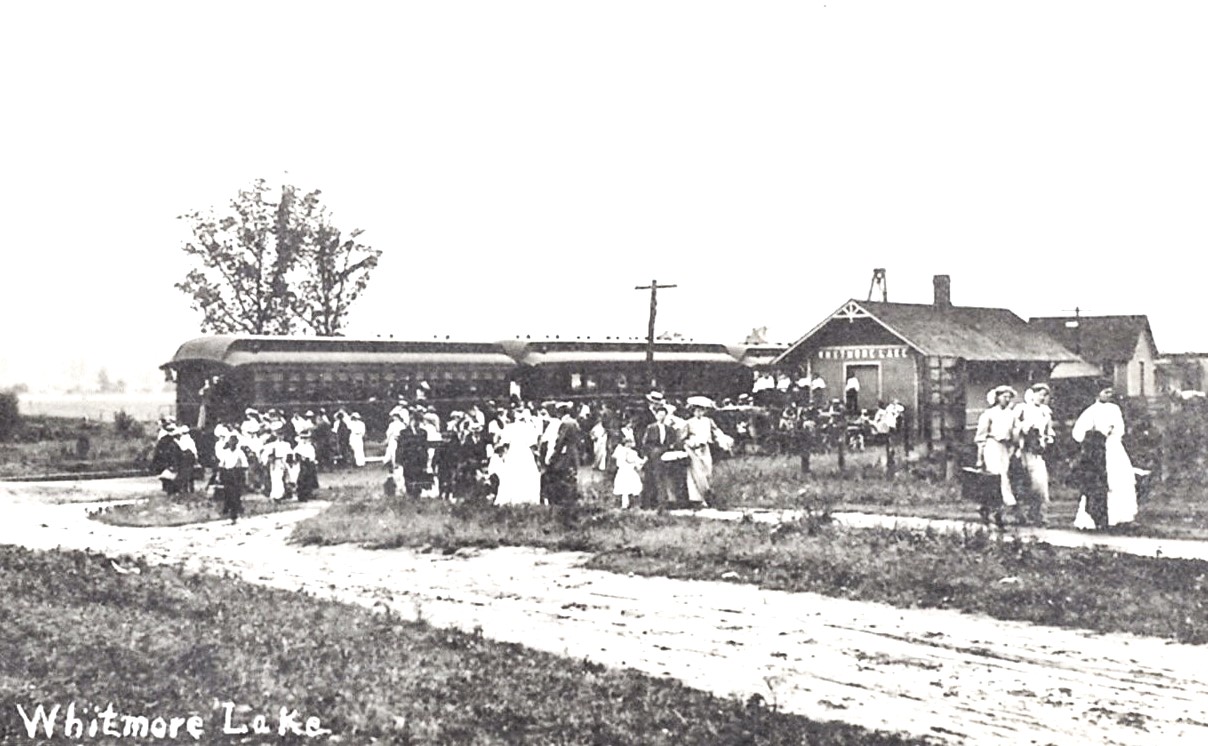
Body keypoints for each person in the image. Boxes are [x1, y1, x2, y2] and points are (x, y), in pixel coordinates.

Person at [1072, 387, 1138, 530]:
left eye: (1110, 392)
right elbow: (1078, 433)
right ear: (1097, 393)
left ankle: (1121, 518)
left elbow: (1121, 429)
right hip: (1099, 450)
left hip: (1115, 447)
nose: (1109, 395)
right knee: (1101, 482)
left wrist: (1113, 430)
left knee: (1120, 481)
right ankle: (1097, 519)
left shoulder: (1115, 409)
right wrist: (1096, 434)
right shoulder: (1091, 411)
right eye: (1105, 392)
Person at [974, 385, 1019, 523]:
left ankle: (990, 509)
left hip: (1005, 449)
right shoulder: (989, 414)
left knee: (1004, 477)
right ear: (997, 397)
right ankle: (993, 511)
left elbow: (1015, 433)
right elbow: (981, 437)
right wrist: (980, 457)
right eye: (1003, 396)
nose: (1006, 399)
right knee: (996, 478)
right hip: (991, 446)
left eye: (1009, 397)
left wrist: (1014, 446)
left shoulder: (1012, 415)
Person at [1015, 383, 1055, 526]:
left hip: (1038, 452)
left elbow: (1049, 430)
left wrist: (1047, 439)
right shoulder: (1022, 409)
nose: (1042, 397)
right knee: (1022, 483)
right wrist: (1025, 429)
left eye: (1044, 395)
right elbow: (1014, 427)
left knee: (1040, 483)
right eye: (1039, 394)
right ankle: (1021, 514)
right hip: (1022, 450)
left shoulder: (1045, 411)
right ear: (1032, 394)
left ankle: (1039, 513)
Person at [683, 402, 733, 507]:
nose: (699, 412)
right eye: (696, 410)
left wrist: (724, 440)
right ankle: (698, 499)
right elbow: (683, 437)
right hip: (693, 450)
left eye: (701, 410)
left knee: (707, 471)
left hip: (705, 448)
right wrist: (690, 443)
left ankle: (708, 495)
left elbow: (716, 431)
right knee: (697, 473)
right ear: (693, 412)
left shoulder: (708, 421)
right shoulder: (689, 422)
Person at [493, 409, 542, 505]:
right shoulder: (529, 427)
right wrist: (537, 458)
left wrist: (504, 456)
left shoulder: (509, 428)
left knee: (512, 475)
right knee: (527, 475)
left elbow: (505, 444)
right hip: (525, 454)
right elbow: (533, 445)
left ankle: (512, 499)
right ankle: (527, 499)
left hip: (513, 453)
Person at [641, 405, 682, 508]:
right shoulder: (651, 427)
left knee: (667, 477)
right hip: (654, 455)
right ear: (656, 415)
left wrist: (671, 447)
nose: (661, 417)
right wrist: (648, 454)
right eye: (660, 415)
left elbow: (674, 442)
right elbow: (645, 443)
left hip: (666, 453)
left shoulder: (669, 429)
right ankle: (652, 503)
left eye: (663, 415)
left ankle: (669, 501)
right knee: (653, 478)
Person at [215, 433, 248, 523]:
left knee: (235, 493)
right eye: (231, 443)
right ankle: (228, 508)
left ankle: (234, 512)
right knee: (227, 492)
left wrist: (241, 471)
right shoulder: (225, 452)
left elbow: (245, 464)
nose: (232, 445)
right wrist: (218, 476)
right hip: (227, 473)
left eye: (234, 443)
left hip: (236, 473)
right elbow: (221, 464)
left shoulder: (240, 452)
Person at [612, 432, 644, 509]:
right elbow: (637, 462)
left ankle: (627, 504)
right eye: (630, 442)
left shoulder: (621, 451)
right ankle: (629, 504)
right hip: (626, 472)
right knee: (629, 488)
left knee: (627, 489)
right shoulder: (630, 452)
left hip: (624, 471)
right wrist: (645, 460)